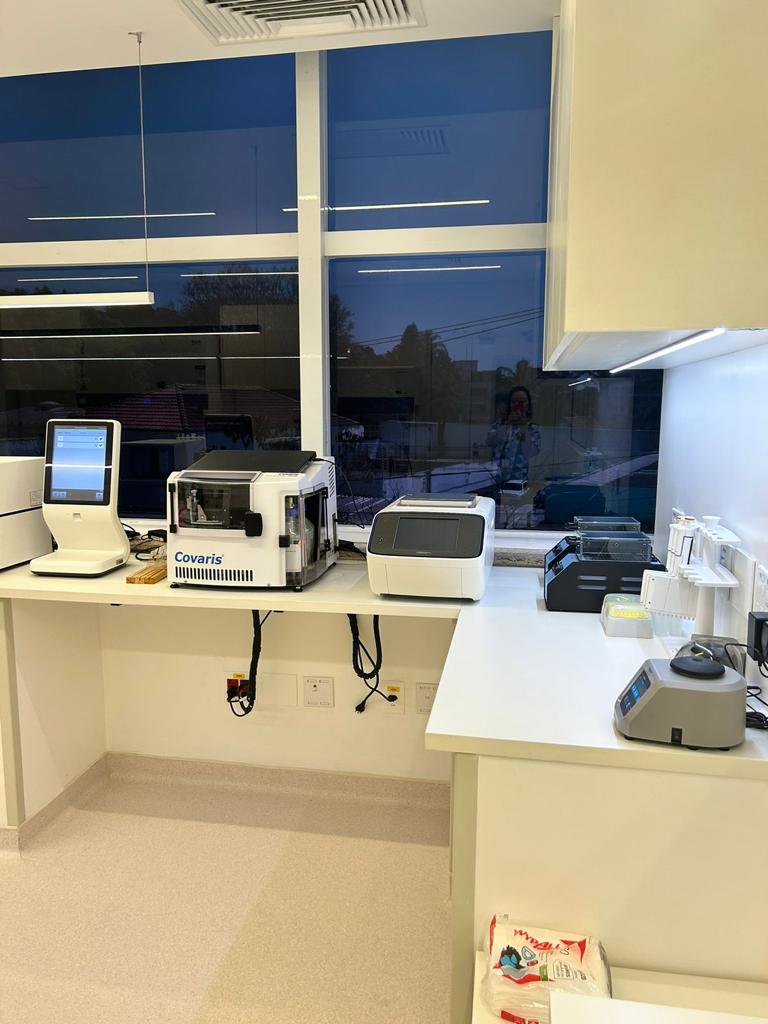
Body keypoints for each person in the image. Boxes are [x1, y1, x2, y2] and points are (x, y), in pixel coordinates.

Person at [487, 386, 542, 491]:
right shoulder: (499, 425)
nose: (518, 405)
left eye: (522, 402)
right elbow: (490, 442)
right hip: (494, 479)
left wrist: (523, 428)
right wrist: (506, 425)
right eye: (514, 401)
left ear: (528, 405)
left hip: (518, 481)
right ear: (509, 404)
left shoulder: (532, 429)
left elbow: (530, 453)